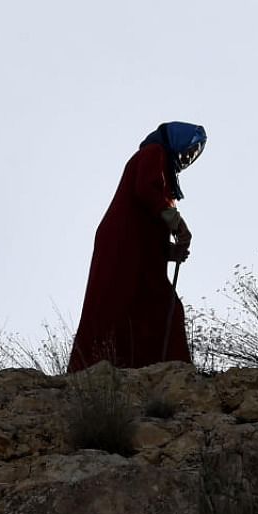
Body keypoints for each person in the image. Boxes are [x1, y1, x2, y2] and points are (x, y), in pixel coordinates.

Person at [68, 122, 207, 373]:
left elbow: (152, 222)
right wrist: (178, 224)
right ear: (178, 139)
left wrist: (168, 252)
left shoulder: (165, 174)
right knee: (113, 307)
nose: (190, 156)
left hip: (140, 252)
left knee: (163, 310)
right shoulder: (153, 153)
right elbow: (147, 191)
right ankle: (89, 371)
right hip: (122, 244)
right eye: (191, 148)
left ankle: (161, 374)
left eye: (195, 154)